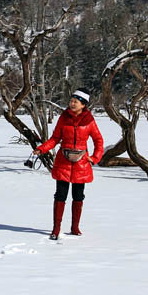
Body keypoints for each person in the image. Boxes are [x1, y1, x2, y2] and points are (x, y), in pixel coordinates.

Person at [33, 89, 104, 240]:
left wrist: (95, 157)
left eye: (75, 102)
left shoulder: (89, 121)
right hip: (63, 162)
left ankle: (75, 227)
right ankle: (56, 228)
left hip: (82, 164)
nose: (72, 104)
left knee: (78, 196)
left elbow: (98, 140)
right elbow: (55, 138)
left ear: (83, 104)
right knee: (60, 195)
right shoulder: (63, 118)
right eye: (71, 101)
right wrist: (42, 149)